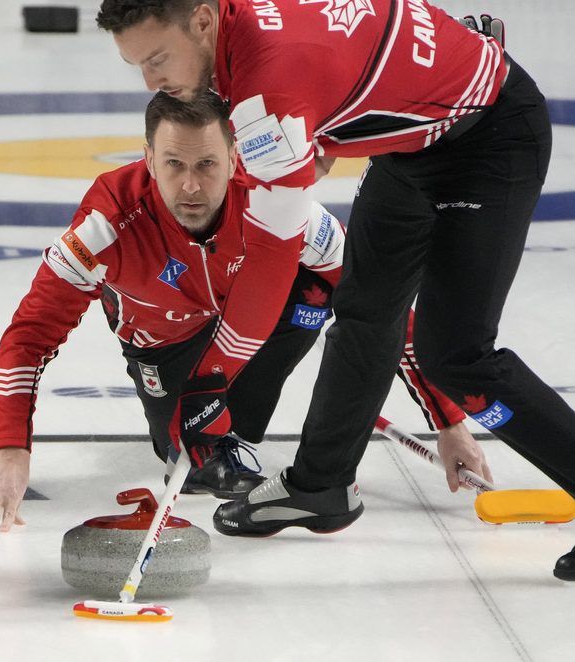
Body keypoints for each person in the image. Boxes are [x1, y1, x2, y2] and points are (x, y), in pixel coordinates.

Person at [97, 1, 575, 578]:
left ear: (201, 22)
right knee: (366, 311)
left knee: (458, 356)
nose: (151, 84)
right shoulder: (240, 35)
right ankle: (321, 486)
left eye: (156, 59)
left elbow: (274, 260)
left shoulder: (268, 93)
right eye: (135, 66)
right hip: (413, 148)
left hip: (491, 138)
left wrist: (212, 377)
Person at [0, 90, 486, 535]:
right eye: (174, 165)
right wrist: (11, 451)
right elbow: (28, 337)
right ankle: (220, 430)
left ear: (235, 158)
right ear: (147, 158)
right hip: (165, 342)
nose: (191, 186)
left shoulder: (280, 206)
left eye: (207, 164)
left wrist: (449, 420)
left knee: (322, 300)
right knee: (192, 458)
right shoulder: (105, 227)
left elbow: (383, 307)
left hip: (263, 323)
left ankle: (255, 428)